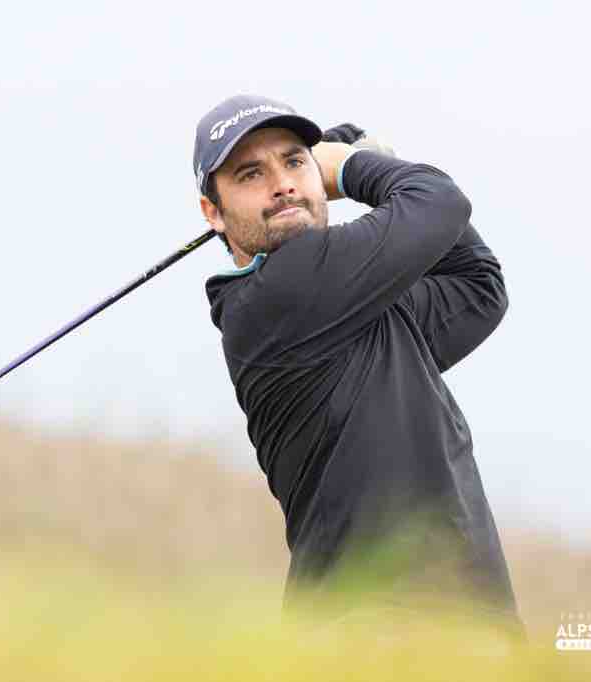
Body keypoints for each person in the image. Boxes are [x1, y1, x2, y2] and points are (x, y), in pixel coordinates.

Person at [194, 94, 525, 640]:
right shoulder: (280, 293)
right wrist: (350, 167)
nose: (283, 184)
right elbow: (438, 202)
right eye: (251, 174)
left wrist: (360, 162)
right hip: (376, 627)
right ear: (213, 212)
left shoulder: (351, 308)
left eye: (294, 162)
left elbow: (478, 286)